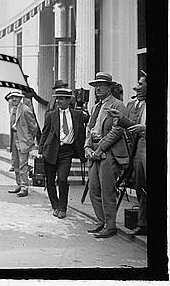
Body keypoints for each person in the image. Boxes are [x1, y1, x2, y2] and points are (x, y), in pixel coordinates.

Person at [83, 72, 128, 238]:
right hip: (94, 152)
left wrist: (100, 149)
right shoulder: (96, 107)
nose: (98, 88)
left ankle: (110, 226)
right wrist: (87, 147)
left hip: (109, 153)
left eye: (101, 85)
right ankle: (101, 221)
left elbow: (117, 131)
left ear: (109, 87)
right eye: (96, 86)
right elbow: (89, 129)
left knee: (107, 190)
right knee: (94, 188)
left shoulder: (117, 105)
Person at [107, 71, 147, 236]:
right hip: (139, 149)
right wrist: (121, 118)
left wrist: (145, 128)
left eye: (140, 84)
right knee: (141, 186)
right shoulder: (138, 105)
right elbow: (133, 127)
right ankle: (143, 224)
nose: (136, 87)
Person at [38, 88, 87, 219]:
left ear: (68, 100)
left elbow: (91, 120)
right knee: (50, 180)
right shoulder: (51, 115)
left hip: (67, 152)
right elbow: (45, 133)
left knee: (62, 179)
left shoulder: (78, 115)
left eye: (61, 99)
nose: (58, 101)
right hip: (51, 150)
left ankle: (62, 207)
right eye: (57, 99)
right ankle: (55, 205)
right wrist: (40, 150)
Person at [6, 91, 40, 197]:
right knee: (15, 163)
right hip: (14, 138)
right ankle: (19, 184)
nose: (14, 99)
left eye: (16, 97)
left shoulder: (25, 110)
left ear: (20, 98)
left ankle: (24, 187)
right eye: (12, 97)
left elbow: (34, 127)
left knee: (23, 164)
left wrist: (29, 139)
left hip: (23, 139)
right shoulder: (12, 109)